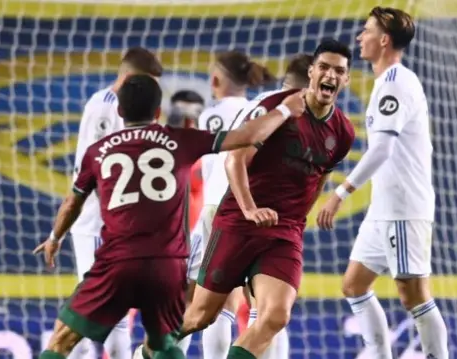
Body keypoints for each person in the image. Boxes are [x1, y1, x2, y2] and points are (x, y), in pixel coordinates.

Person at [33, 73, 307, 359]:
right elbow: (247, 136)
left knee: (61, 341)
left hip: (117, 261)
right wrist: (286, 109)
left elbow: (71, 203)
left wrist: (55, 237)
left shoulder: (98, 151)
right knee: (165, 345)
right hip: (167, 266)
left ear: (119, 111)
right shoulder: (179, 140)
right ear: (157, 111)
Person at [179, 39, 356, 359]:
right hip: (238, 222)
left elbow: (321, 175)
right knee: (201, 315)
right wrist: (249, 208)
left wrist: (298, 218)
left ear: (346, 80)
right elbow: (235, 160)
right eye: (325, 67)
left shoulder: (342, 133)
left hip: (284, 231)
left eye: (339, 71)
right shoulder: (277, 108)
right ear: (312, 72)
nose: (330, 75)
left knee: (275, 315)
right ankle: (148, 352)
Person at [316, 7, 449, 359]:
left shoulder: (397, 83)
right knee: (354, 285)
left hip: (404, 206)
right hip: (383, 208)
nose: (360, 37)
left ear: (384, 40)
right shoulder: (384, 83)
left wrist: (341, 194)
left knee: (413, 294)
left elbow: (383, 149)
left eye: (367, 31)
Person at [180, 50, 276, 358]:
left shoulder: (209, 115)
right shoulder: (258, 112)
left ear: (215, 80)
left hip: (215, 211)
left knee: (191, 299)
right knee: (248, 303)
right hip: (249, 210)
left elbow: (199, 166)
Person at [68, 46, 163, 359]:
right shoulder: (107, 107)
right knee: (101, 313)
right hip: (101, 222)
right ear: (128, 77)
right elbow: (101, 168)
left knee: (110, 312)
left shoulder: (105, 102)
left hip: (114, 223)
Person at [167, 90, 206, 229]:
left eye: (193, 117)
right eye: (179, 116)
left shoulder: (214, 155)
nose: (187, 123)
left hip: (201, 238)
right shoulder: (154, 154)